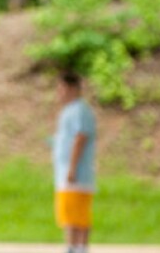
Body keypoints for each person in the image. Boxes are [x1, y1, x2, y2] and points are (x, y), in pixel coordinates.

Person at [52, 71, 97, 253]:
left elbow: (81, 137)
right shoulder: (69, 111)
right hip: (67, 173)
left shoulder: (80, 110)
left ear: (71, 88)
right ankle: (73, 247)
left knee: (76, 214)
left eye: (61, 88)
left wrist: (71, 168)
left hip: (77, 174)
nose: (59, 93)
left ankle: (77, 248)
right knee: (69, 213)